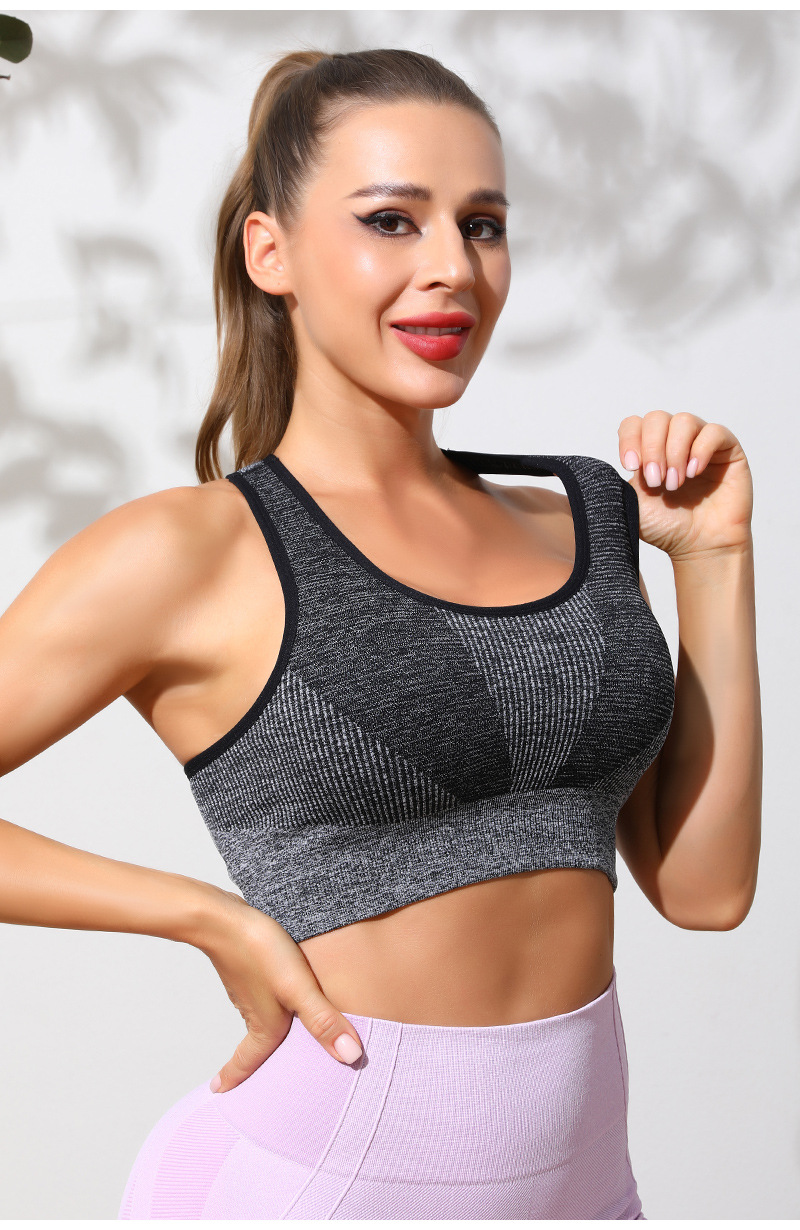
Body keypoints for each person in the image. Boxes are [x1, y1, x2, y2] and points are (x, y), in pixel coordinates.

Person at [0, 48, 761, 1221]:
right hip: (318, 1188)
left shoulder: (587, 521)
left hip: (586, 1193)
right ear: (270, 254)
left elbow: (704, 890)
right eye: (390, 221)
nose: (452, 266)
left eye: (482, 224)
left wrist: (712, 558)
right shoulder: (191, 551)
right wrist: (204, 916)